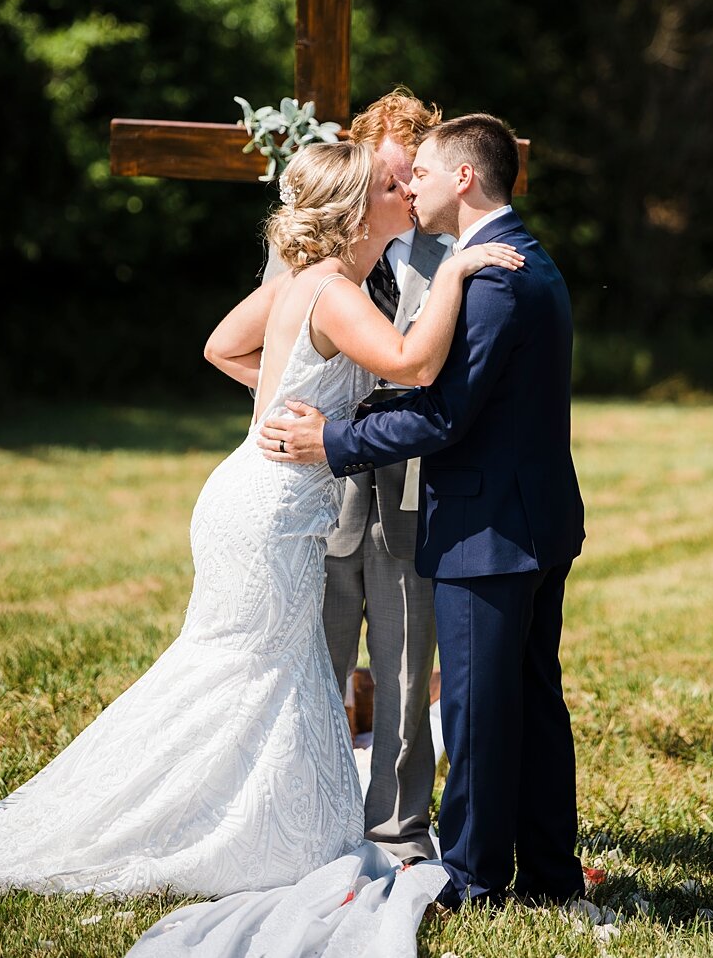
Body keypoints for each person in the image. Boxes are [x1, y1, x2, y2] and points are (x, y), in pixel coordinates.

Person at [0, 140, 522, 897]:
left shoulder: (307, 283)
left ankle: (231, 821)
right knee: (243, 672)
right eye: (391, 184)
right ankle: (165, 825)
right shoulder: (337, 291)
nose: (408, 190)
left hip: (247, 493)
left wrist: (286, 407)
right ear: (357, 207)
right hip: (272, 511)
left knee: (253, 672)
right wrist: (460, 269)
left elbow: (221, 346)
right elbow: (415, 363)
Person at [257, 115, 586, 911]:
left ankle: (473, 881)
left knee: (477, 715)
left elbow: (446, 418)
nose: (412, 189)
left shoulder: (496, 277)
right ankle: (548, 875)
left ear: (465, 180)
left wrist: (334, 437)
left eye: (424, 176)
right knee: (532, 704)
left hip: (489, 535)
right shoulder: (525, 262)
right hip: (531, 521)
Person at [274, 89, 451, 865]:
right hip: (324, 487)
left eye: (414, 176)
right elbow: (266, 347)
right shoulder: (316, 258)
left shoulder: (452, 253)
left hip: (411, 486)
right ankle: (304, 819)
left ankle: (398, 827)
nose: (407, 193)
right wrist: (297, 414)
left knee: (408, 668)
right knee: (317, 663)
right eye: (391, 177)